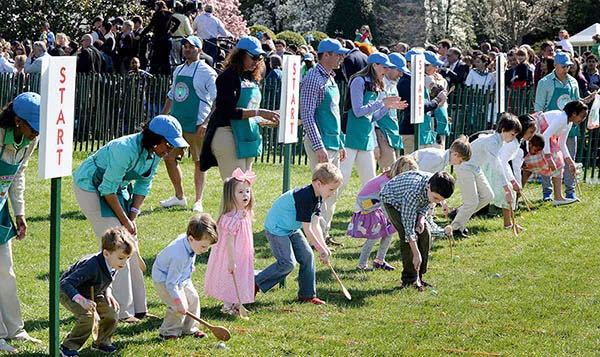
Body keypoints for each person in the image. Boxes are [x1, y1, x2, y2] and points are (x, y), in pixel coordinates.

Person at [72, 115, 189, 323]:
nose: (170, 150)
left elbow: (144, 184)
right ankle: (123, 312)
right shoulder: (124, 149)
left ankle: (139, 309)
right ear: (155, 138)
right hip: (90, 185)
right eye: (168, 144)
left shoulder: (155, 154)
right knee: (118, 245)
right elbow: (107, 189)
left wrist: (133, 215)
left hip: (116, 188)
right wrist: (124, 221)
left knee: (132, 246)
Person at [255, 163, 340, 305]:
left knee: (307, 256)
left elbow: (315, 224)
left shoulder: (318, 196)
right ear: (318, 184)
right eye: (331, 189)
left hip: (291, 229)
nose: (333, 193)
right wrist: (320, 249)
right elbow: (308, 230)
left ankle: (307, 295)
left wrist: (324, 247)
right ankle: (254, 284)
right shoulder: (305, 196)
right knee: (287, 263)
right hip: (277, 229)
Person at [199, 36, 279, 181]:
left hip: (247, 136)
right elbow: (227, 111)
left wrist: (262, 119)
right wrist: (259, 112)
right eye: (253, 57)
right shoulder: (227, 77)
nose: (257, 61)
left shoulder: (252, 78)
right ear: (240, 55)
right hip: (227, 133)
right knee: (235, 186)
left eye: (260, 58)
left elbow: (251, 107)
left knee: (246, 187)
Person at [0, 93, 42, 354]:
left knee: (6, 270)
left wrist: (20, 213)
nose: (36, 133)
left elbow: (18, 175)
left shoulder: (30, 140)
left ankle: (16, 329)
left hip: (1, 206)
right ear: (17, 121)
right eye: (33, 126)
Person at [300, 38, 348, 247]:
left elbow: (333, 114)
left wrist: (340, 143)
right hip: (321, 145)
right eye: (338, 54)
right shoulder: (313, 79)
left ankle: (323, 233)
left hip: (332, 143)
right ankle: (315, 237)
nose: (341, 58)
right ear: (326, 55)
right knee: (322, 192)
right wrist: (319, 146)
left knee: (333, 191)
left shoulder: (330, 78)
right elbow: (308, 115)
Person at [160, 35, 217, 213]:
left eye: (191, 46)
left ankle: (198, 200)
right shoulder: (178, 70)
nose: (187, 49)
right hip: (177, 124)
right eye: (185, 46)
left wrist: (207, 122)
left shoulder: (207, 72)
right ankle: (179, 197)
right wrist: (162, 118)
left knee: (199, 162)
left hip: (197, 123)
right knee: (169, 158)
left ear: (199, 50)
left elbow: (217, 100)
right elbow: (172, 95)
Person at [339, 53, 407, 201]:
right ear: (374, 65)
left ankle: (367, 216)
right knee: (341, 181)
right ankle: (322, 215)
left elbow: (372, 117)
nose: (387, 70)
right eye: (384, 67)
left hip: (366, 139)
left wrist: (388, 107)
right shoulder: (358, 80)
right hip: (351, 137)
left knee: (370, 183)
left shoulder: (376, 83)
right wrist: (382, 103)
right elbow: (358, 111)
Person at [58, 227, 134, 357]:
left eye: (128, 258)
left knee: (112, 311)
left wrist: (108, 293)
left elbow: (107, 279)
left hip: (93, 290)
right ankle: (67, 347)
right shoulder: (90, 266)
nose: (125, 263)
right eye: (121, 258)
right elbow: (65, 283)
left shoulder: (114, 263)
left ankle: (101, 342)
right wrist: (82, 300)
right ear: (106, 253)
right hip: (68, 291)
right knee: (88, 316)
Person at [450, 115, 522, 237]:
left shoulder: (498, 141)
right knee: (472, 201)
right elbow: (497, 166)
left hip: (475, 168)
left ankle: (460, 216)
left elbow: (499, 164)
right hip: (465, 168)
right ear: (503, 130)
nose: (513, 138)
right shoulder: (492, 142)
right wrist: (506, 189)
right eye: (512, 134)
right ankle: (456, 228)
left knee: (488, 196)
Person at [380, 171, 455, 290]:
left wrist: (421, 217)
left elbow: (426, 202)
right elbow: (408, 228)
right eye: (436, 198)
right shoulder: (412, 194)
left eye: (439, 200)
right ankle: (409, 279)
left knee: (425, 232)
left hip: (410, 202)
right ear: (428, 187)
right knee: (406, 235)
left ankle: (419, 276)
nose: (436, 201)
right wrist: (416, 253)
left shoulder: (432, 188)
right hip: (393, 201)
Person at [152, 213, 217, 339]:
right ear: (191, 239)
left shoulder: (191, 242)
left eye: (208, 246)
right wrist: (178, 301)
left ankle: (189, 329)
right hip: (165, 280)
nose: (205, 250)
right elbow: (171, 283)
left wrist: (190, 266)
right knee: (178, 306)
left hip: (182, 277)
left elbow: (191, 253)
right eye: (203, 246)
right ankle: (168, 332)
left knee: (193, 298)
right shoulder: (179, 256)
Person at [348, 156, 418, 271]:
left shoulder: (389, 177)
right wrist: (389, 217)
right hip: (368, 207)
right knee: (373, 236)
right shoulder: (385, 182)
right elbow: (385, 201)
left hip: (375, 205)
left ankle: (379, 260)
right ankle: (361, 265)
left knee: (389, 231)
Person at [205, 169, 256, 315]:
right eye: (240, 192)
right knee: (231, 276)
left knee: (240, 276)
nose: (245, 195)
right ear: (230, 196)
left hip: (243, 252)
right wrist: (231, 260)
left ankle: (236, 303)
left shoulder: (245, 213)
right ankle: (228, 305)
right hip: (233, 253)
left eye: (247, 191)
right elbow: (228, 240)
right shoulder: (231, 217)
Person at [534, 52, 581, 201]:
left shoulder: (573, 82)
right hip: (550, 126)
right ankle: (547, 192)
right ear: (555, 65)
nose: (566, 69)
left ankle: (570, 190)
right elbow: (539, 107)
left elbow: (577, 103)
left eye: (568, 66)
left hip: (569, 125)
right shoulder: (544, 82)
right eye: (563, 66)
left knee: (569, 158)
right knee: (547, 159)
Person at [481, 113, 534, 230]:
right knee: (507, 193)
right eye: (530, 131)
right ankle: (508, 224)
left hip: (496, 167)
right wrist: (511, 181)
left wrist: (513, 180)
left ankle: (508, 223)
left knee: (501, 194)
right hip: (493, 168)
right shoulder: (512, 144)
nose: (532, 135)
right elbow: (501, 162)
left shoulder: (517, 143)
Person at [532, 101, 589, 204]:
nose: (583, 119)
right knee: (529, 166)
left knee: (559, 163)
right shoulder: (561, 118)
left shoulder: (569, 122)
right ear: (574, 113)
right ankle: (557, 197)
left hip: (543, 136)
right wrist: (549, 158)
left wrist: (570, 162)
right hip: (537, 133)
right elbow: (545, 135)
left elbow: (562, 143)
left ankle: (558, 197)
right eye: (582, 116)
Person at [397, 48, 447, 154]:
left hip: (422, 131)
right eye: (420, 64)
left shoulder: (417, 80)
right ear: (409, 64)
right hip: (411, 131)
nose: (422, 67)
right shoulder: (405, 82)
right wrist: (437, 100)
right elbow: (418, 106)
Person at [376, 53, 409, 171]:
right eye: (399, 70)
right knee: (390, 173)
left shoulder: (394, 86)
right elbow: (372, 112)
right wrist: (375, 143)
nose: (401, 74)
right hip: (382, 132)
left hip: (393, 133)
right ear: (389, 68)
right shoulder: (379, 85)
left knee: (395, 171)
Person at [140, 1, 179, 75]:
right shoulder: (169, 14)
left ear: (158, 6)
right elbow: (177, 22)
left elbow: (150, 26)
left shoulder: (157, 14)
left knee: (156, 59)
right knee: (166, 60)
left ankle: (154, 75)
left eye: (155, 6)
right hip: (166, 39)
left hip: (158, 39)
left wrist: (141, 34)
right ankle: (166, 76)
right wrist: (171, 32)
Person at [169, 1, 194, 69]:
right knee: (181, 61)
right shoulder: (184, 18)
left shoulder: (170, 17)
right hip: (181, 40)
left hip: (171, 40)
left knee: (173, 61)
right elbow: (189, 32)